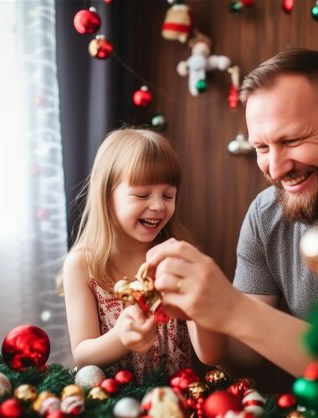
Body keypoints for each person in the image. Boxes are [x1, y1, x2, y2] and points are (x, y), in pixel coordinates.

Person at [146, 49, 318, 377]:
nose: (274, 168)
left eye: (291, 140)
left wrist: (235, 310)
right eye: (261, 147)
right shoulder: (265, 214)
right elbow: (244, 356)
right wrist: (201, 304)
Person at [58, 128, 222, 382]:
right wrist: (121, 337)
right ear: (106, 196)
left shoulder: (176, 258)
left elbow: (211, 355)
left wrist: (199, 310)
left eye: (168, 195)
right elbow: (82, 355)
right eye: (142, 195)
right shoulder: (82, 265)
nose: (158, 205)